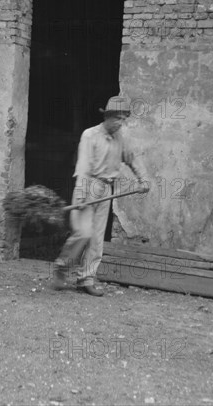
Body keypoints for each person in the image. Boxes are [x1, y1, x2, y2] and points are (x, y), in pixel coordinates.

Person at [52, 95, 149, 296]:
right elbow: (83, 167)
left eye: (124, 119)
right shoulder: (90, 135)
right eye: (119, 119)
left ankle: (86, 279)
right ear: (108, 117)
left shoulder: (121, 137)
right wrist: (80, 195)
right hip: (88, 185)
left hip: (106, 189)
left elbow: (132, 159)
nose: (121, 123)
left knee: (96, 239)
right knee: (84, 233)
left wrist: (143, 179)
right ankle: (62, 267)